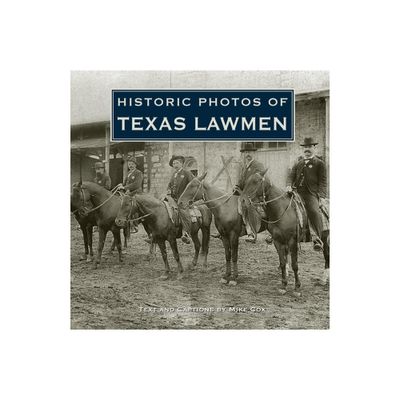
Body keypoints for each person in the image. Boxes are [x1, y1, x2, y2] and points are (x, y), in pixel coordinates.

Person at [286, 137, 328, 251]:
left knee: (314, 211)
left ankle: (317, 238)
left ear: (314, 148)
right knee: (284, 206)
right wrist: (288, 185)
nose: (307, 149)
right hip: (296, 193)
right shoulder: (298, 163)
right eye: (305, 147)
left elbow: (323, 182)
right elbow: (290, 176)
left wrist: (322, 197)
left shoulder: (319, 164)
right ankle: (279, 233)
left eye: (309, 147)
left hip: (310, 194)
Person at [233, 142, 266, 243]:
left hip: (254, 194)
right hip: (244, 193)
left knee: (248, 206)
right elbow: (241, 181)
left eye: (250, 152)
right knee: (231, 203)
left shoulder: (258, 165)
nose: (248, 154)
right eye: (246, 152)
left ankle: (251, 232)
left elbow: (259, 181)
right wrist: (237, 187)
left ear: (254, 153)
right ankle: (231, 229)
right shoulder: (244, 166)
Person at [165, 155, 194, 244]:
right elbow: (169, 185)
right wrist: (168, 190)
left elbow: (192, 185)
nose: (175, 164)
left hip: (184, 199)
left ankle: (186, 233)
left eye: (177, 163)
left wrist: (189, 197)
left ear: (181, 164)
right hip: (173, 198)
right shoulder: (174, 174)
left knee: (182, 211)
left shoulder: (187, 173)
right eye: (173, 163)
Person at [121, 157, 143, 234]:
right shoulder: (128, 173)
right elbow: (125, 183)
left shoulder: (138, 173)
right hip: (128, 192)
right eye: (129, 164)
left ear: (135, 165)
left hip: (136, 192)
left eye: (132, 164)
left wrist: (125, 187)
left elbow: (137, 184)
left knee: (133, 204)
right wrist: (121, 186)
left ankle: (134, 224)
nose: (130, 166)